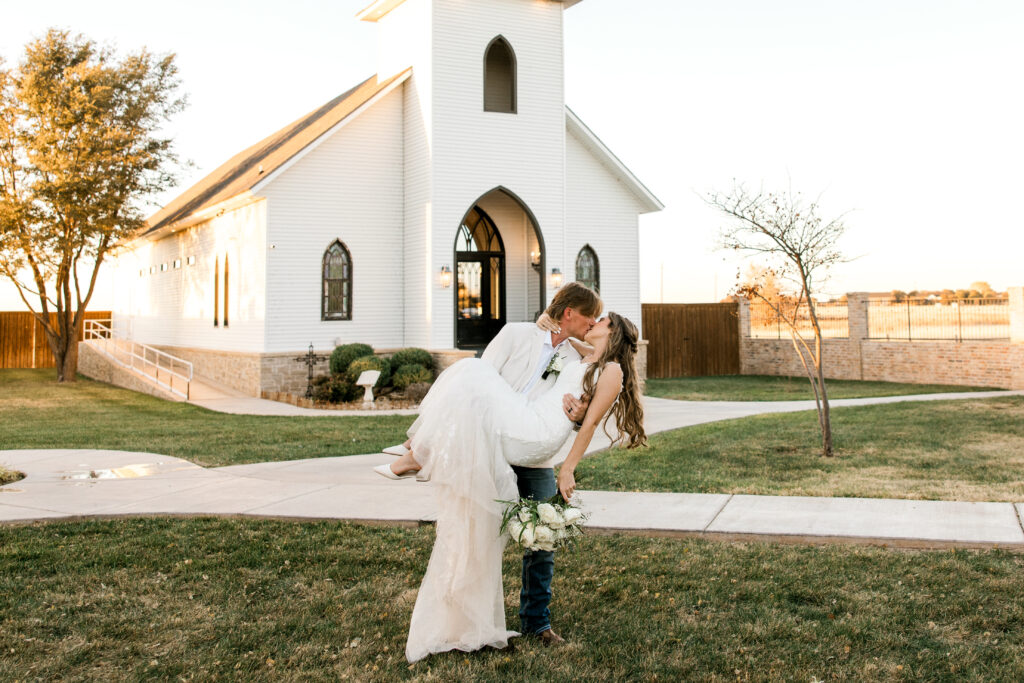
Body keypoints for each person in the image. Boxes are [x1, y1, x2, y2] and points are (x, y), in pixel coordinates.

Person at [393, 310, 647, 663]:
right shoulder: (574, 351)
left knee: (543, 537)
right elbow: (564, 334)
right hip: (517, 421)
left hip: (535, 437)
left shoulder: (612, 370)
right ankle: (422, 451)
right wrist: (547, 320)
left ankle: (537, 622)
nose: (593, 323)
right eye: (590, 317)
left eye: (601, 320)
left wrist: (568, 468)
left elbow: (588, 425)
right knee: (470, 374)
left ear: (612, 332)